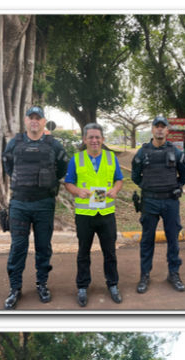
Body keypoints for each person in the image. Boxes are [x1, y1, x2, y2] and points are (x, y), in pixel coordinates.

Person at [2, 106, 69, 309]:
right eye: (31, 118)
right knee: (18, 247)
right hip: (20, 203)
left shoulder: (54, 145)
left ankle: (42, 284)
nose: (34, 121)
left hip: (44, 204)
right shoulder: (15, 143)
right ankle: (15, 288)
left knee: (43, 247)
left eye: (37, 118)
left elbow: (62, 168)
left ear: (43, 121)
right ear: (26, 121)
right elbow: (8, 166)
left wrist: (46, 181)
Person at [63, 123, 124, 306]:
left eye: (98, 137)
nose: (94, 140)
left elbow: (119, 179)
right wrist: (77, 191)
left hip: (106, 214)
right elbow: (68, 182)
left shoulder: (111, 157)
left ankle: (112, 284)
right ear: (85, 140)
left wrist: (115, 189)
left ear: (103, 139)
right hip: (84, 216)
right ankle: (82, 287)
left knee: (110, 252)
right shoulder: (77, 159)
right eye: (91, 137)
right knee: (83, 252)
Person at [131, 116, 185, 295]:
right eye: (156, 126)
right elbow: (135, 176)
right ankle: (144, 275)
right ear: (152, 130)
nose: (159, 130)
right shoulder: (142, 153)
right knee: (147, 240)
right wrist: (149, 187)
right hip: (149, 202)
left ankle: (174, 274)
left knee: (173, 239)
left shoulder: (177, 152)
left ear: (167, 131)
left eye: (162, 127)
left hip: (170, 202)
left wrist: (174, 187)